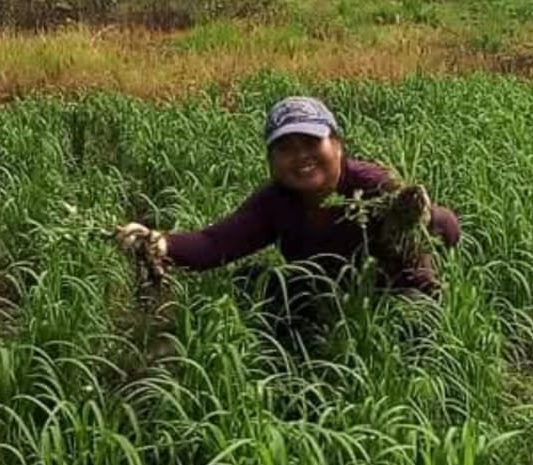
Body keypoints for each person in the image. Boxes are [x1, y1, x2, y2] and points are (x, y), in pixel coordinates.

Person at [115, 96, 461, 340]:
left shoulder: (375, 186)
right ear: (271, 159)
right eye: (286, 148)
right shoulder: (276, 202)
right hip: (327, 304)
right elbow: (214, 244)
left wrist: (422, 215)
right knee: (251, 281)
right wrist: (158, 241)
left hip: (394, 302)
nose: (301, 157)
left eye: (311, 142)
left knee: (416, 314)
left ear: (337, 144)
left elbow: (449, 230)